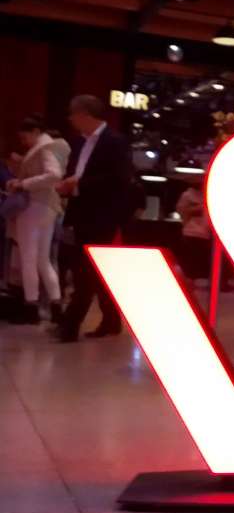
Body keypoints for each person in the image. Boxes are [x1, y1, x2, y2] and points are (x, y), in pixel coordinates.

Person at [55, 96, 133, 343]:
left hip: (103, 215)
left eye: (73, 115)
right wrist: (68, 184)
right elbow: (74, 171)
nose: (71, 120)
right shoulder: (79, 142)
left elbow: (119, 179)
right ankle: (111, 320)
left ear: (85, 115)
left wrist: (78, 185)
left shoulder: (115, 141)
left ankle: (69, 326)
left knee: (84, 270)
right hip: (80, 212)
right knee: (96, 269)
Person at [3, 117, 68, 324]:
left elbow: (53, 174)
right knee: (42, 259)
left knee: (29, 258)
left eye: (25, 137)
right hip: (47, 207)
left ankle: (31, 306)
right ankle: (56, 305)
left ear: (35, 131)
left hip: (34, 207)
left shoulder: (44, 148)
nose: (24, 142)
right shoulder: (52, 147)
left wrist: (23, 184)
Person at [175, 175, 212, 283]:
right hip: (191, 233)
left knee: (202, 261)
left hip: (206, 234)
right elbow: (182, 211)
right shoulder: (187, 195)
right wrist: (198, 208)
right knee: (191, 260)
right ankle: (189, 279)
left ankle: (199, 279)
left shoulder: (207, 194)